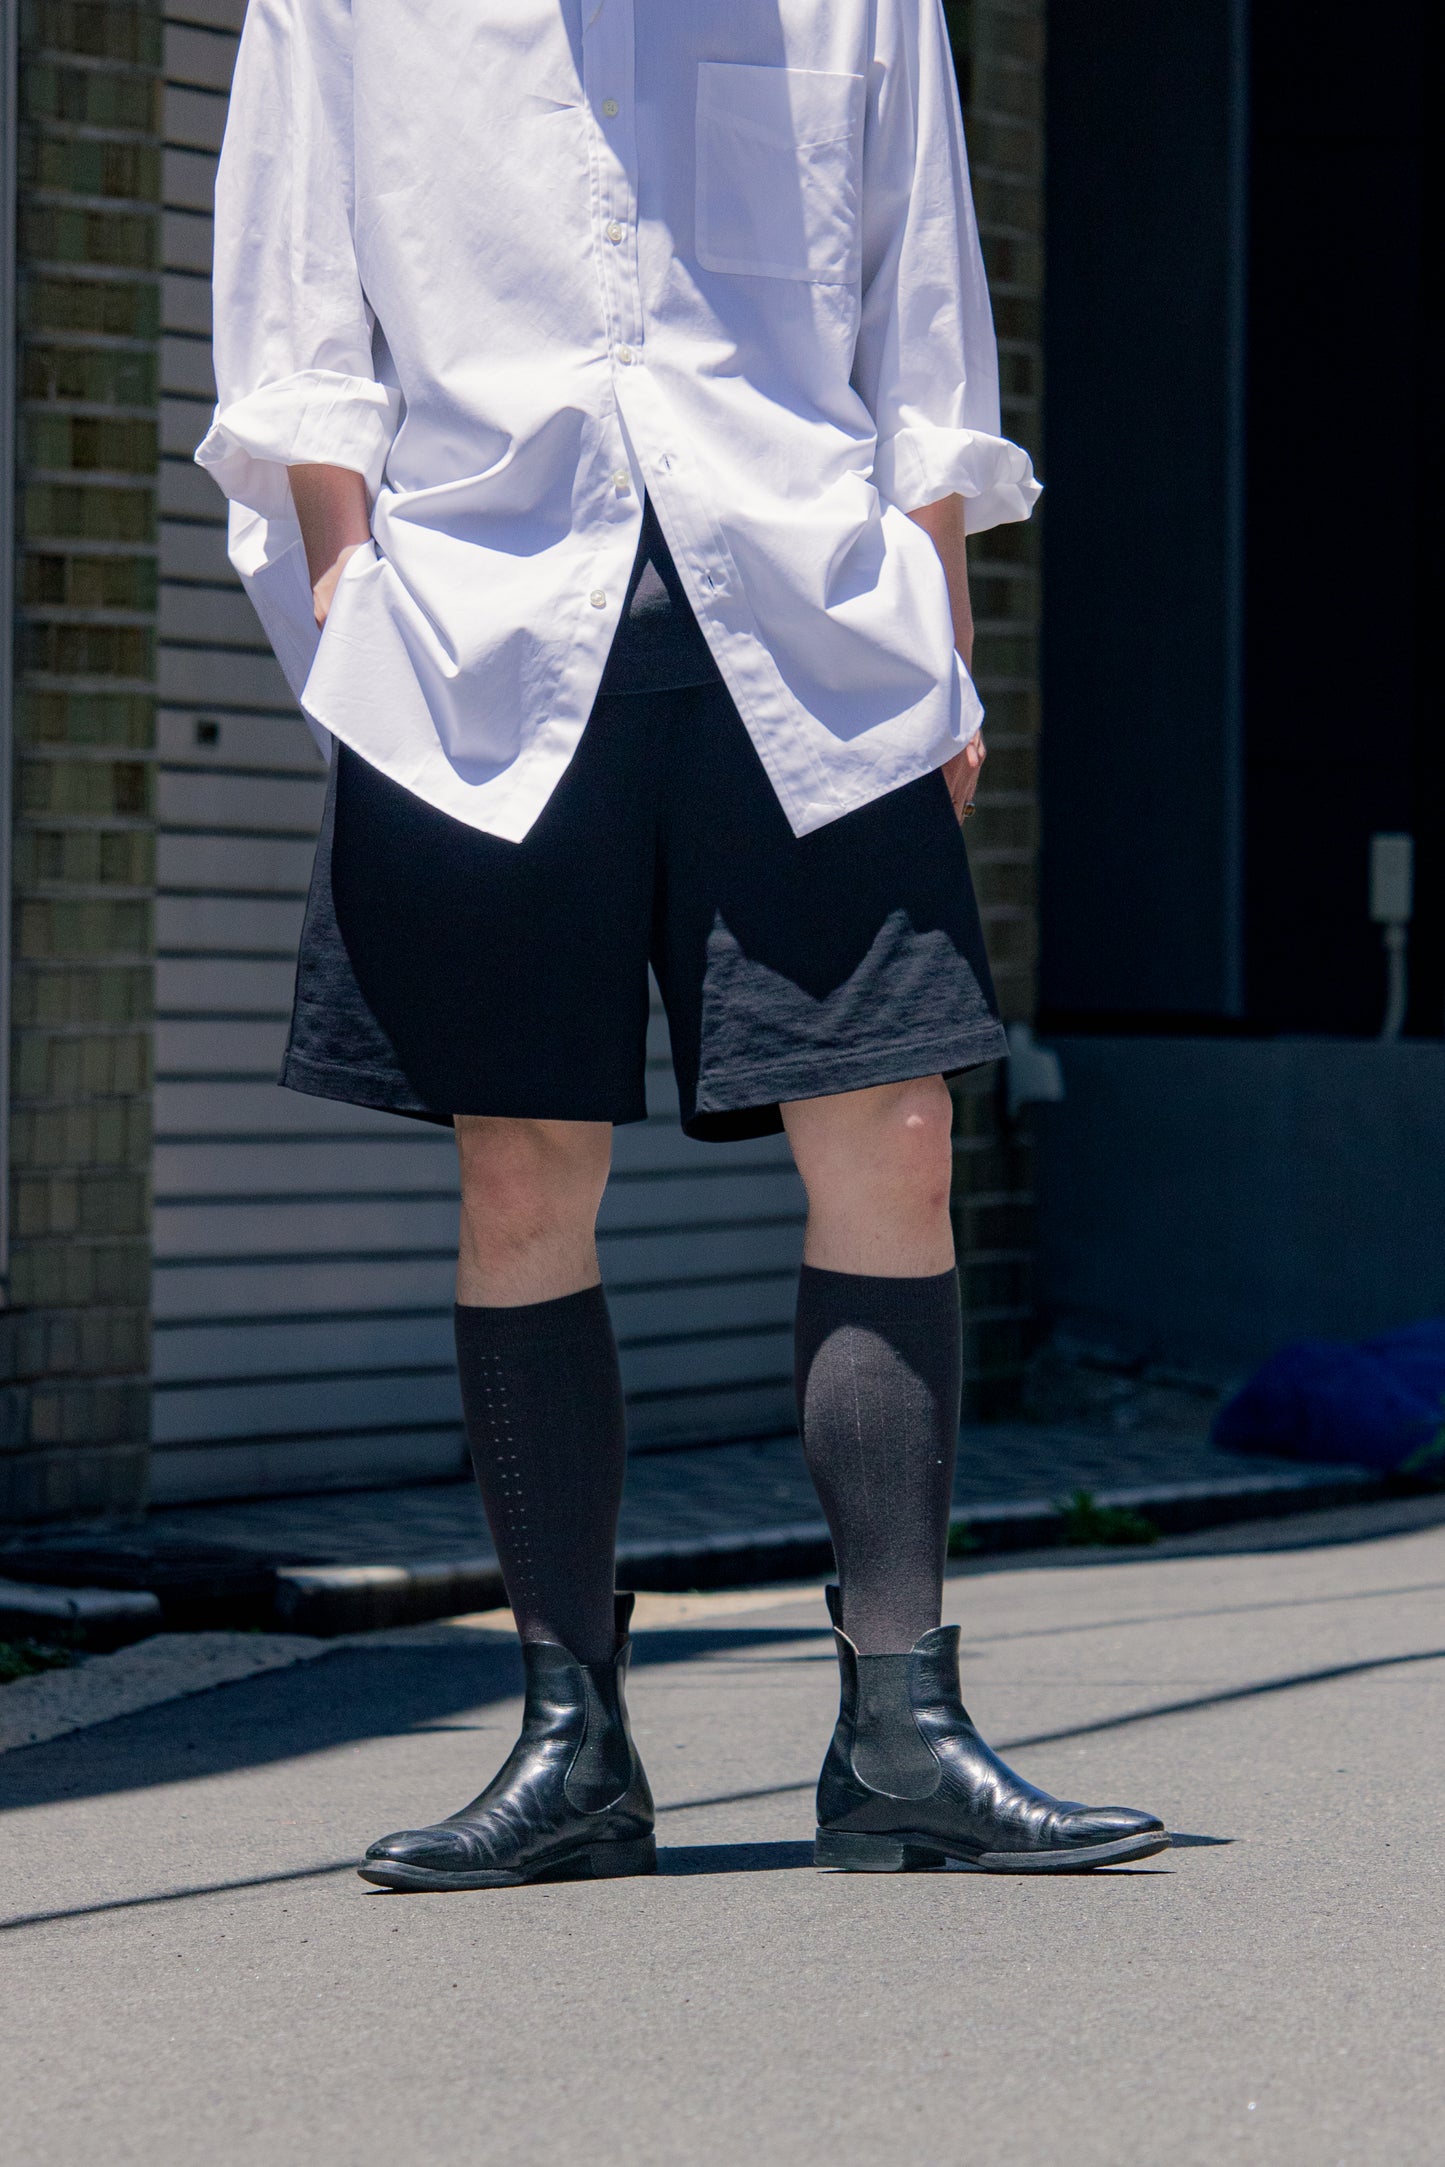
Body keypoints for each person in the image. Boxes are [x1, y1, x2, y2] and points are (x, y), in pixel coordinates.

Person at [200, 0, 1168, 1889]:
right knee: (520, 1168)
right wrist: (345, 596)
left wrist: (939, 627)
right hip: (471, 636)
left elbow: (915, 301)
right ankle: (569, 1742)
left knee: (896, 1131)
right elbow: (296, 317)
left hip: (806, 619)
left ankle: (901, 1730)